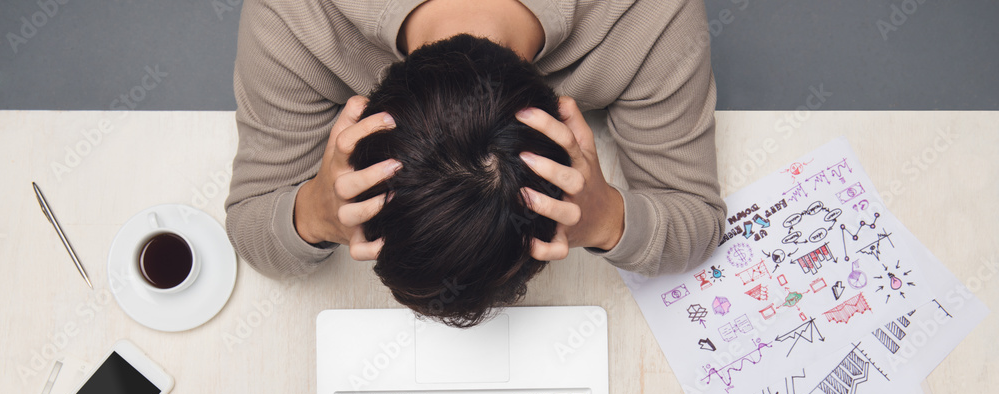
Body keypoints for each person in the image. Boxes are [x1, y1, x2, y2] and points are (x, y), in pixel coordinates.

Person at [225, 0, 726, 326]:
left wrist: (606, 219)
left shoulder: (655, 15)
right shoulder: (290, 16)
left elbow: (698, 223)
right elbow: (249, 222)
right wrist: (313, 212)